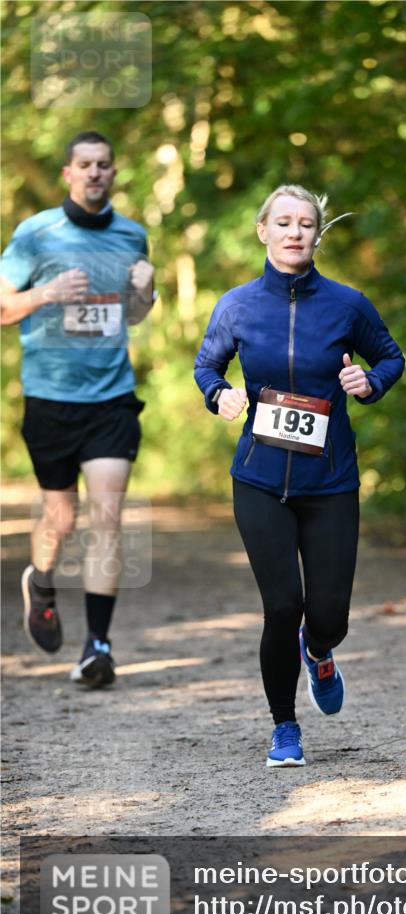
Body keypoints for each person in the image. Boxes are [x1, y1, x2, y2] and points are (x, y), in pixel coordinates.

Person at [194, 184, 404, 766]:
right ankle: (285, 728)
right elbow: (207, 365)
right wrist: (220, 394)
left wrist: (369, 382)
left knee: (329, 616)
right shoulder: (237, 305)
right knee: (283, 605)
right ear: (263, 231)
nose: (294, 232)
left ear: (317, 235)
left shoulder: (347, 305)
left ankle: (320, 650)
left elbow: (391, 357)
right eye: (283, 222)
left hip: (330, 482)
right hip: (259, 479)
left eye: (305, 224)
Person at [0, 130, 155, 687]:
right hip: (50, 398)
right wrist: (46, 293)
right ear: (68, 173)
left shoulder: (132, 235)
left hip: (111, 399)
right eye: (85, 165)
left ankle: (97, 646)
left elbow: (132, 315)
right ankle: (41, 581)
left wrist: (145, 292)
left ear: (114, 172)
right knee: (61, 518)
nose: (95, 173)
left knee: (107, 515)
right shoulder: (36, 233)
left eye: (103, 164)